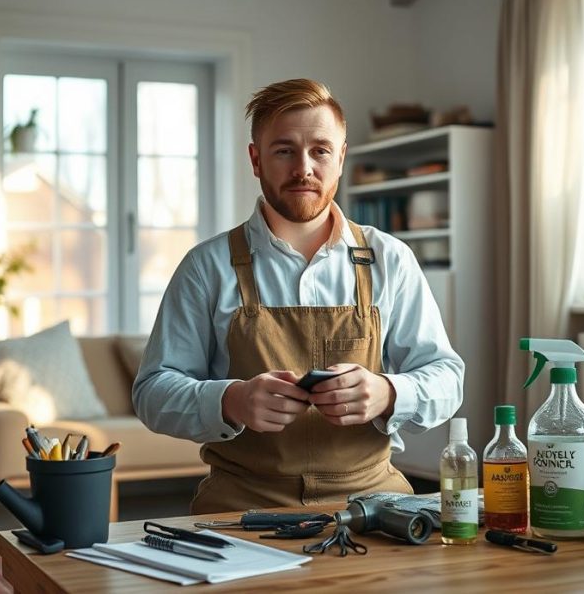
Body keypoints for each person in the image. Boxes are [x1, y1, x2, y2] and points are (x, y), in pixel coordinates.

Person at [133, 78, 464, 513]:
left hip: (374, 504)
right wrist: (231, 400)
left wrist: (387, 392)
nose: (303, 168)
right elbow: (152, 392)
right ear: (256, 159)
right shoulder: (206, 266)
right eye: (284, 150)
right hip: (241, 506)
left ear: (341, 157)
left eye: (320, 150)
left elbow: (447, 376)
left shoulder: (392, 259)